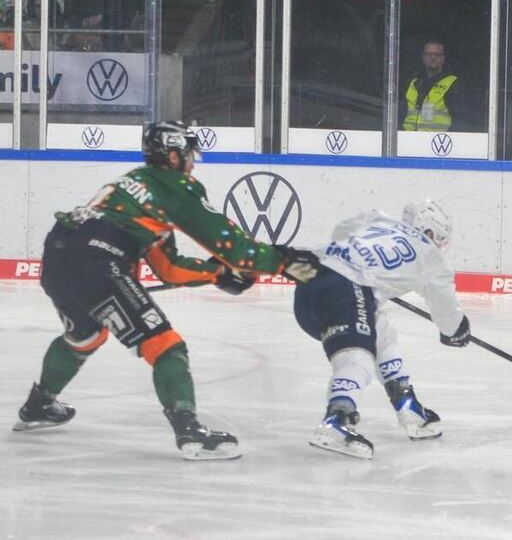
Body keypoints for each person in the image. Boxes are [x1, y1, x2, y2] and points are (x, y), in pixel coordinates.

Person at [12, 121, 318, 460]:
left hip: (59, 256)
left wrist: (215, 273)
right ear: (173, 156)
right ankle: (190, 433)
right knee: (166, 345)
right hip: (97, 259)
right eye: (189, 155)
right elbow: (234, 247)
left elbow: (166, 267)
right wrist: (284, 261)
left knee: (85, 335)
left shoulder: (135, 183)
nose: (193, 162)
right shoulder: (176, 186)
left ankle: (39, 405)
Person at [293, 199, 471, 459]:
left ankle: (407, 405)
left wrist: (367, 269)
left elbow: (341, 232)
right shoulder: (431, 257)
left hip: (308, 280)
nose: (440, 246)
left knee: (380, 327)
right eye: (440, 239)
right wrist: (457, 331)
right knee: (358, 358)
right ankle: (337, 420)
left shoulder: (379, 219)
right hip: (345, 290)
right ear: (430, 232)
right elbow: (449, 320)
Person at [401, 40, 467, 132]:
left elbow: (460, 120)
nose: (432, 57)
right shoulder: (414, 82)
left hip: (437, 142)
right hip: (409, 139)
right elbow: (401, 113)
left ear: (443, 58)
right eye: (429, 54)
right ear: (423, 58)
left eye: (437, 54)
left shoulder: (453, 84)